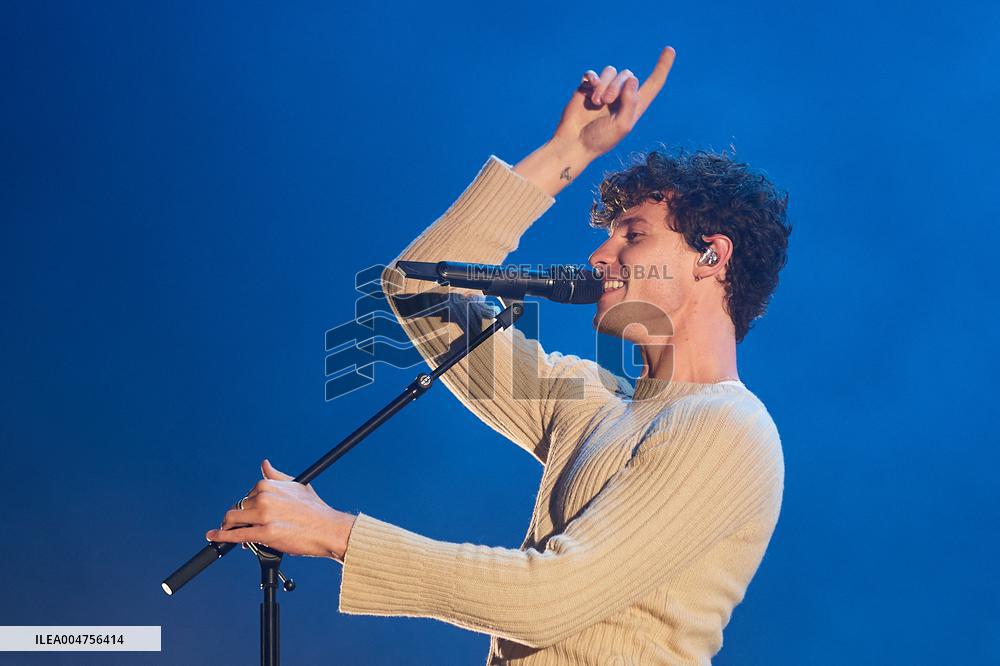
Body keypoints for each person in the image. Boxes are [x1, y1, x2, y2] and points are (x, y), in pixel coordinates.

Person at [207, 46, 792, 665]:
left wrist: (334, 534)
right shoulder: (591, 403)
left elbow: (549, 599)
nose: (598, 256)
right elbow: (420, 289)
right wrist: (568, 152)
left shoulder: (728, 428)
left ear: (712, 256)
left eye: (634, 235)